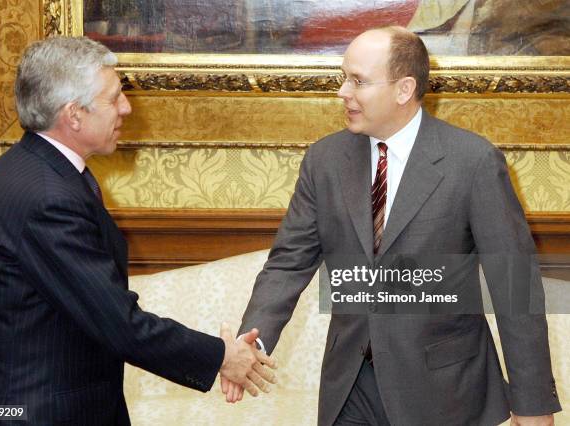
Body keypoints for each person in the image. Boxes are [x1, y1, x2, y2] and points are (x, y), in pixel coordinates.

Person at [224, 26, 561, 425]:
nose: (342, 92)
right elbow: (288, 263)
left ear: (403, 89)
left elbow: (514, 285)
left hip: (444, 389)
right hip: (350, 384)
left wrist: (533, 404)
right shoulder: (325, 161)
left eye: (358, 81)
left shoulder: (472, 162)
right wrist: (252, 341)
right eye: (343, 77)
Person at [0, 36, 276, 425]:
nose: (126, 108)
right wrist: (222, 356)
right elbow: (118, 323)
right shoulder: (46, 196)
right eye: (114, 98)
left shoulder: (26, 167)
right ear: (74, 114)